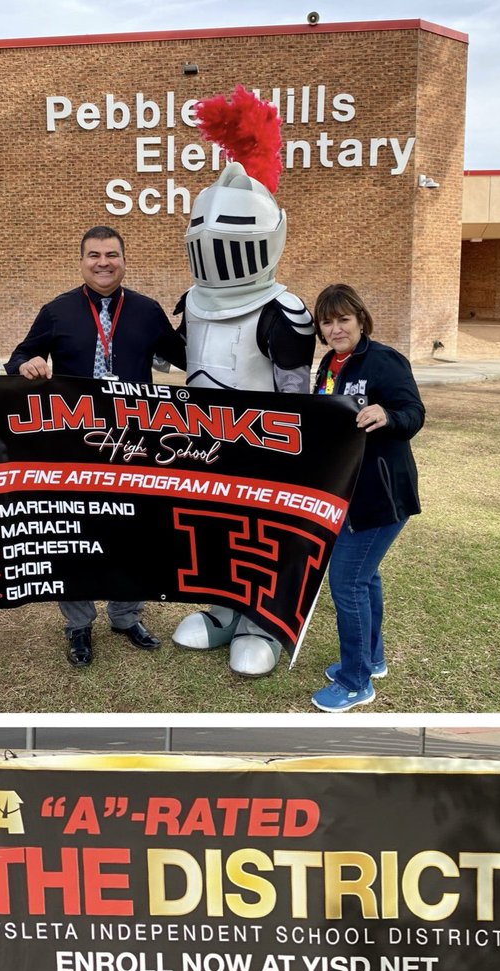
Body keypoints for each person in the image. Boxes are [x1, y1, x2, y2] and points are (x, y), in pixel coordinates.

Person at [170, 88, 316, 678]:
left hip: (265, 447)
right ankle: (222, 607)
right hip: (202, 440)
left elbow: (296, 392)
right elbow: (185, 360)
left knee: (264, 534)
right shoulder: (192, 301)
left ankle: (263, 620)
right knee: (210, 529)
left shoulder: (285, 310)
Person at [6, 225, 186, 667]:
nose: (103, 262)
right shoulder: (57, 311)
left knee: (133, 531)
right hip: (75, 445)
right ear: (81, 261)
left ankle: (126, 617)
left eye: (111, 254)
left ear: (124, 260)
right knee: (76, 535)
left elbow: (190, 357)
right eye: (94, 255)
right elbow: (18, 357)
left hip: (135, 444)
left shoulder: (147, 310)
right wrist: (26, 363)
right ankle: (78, 625)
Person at [310, 283, 424, 713]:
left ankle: (355, 682)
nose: (336, 328)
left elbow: (414, 414)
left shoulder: (384, 361)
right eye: (328, 321)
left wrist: (387, 414)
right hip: (345, 493)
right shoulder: (328, 363)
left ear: (360, 320)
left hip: (380, 495)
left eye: (344, 319)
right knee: (366, 578)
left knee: (348, 582)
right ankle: (372, 660)